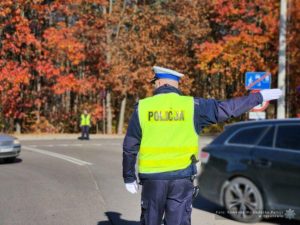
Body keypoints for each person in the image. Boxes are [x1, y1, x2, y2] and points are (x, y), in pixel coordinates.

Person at [122, 66, 282, 225]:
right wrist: (258, 97)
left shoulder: (143, 107)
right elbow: (228, 108)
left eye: (154, 82)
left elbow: (130, 145)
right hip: (182, 179)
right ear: (176, 84)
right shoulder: (193, 106)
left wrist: (129, 176)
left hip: (153, 180)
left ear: (159, 83)